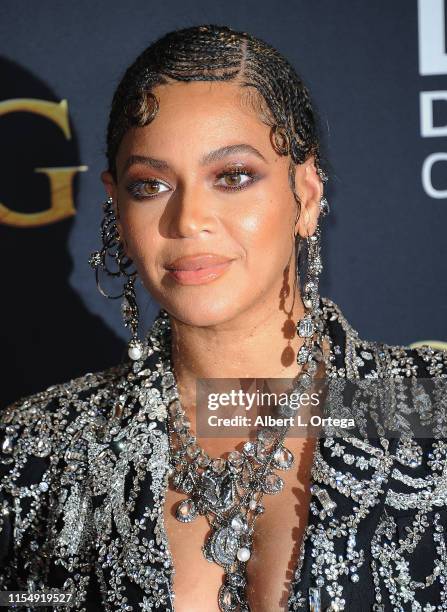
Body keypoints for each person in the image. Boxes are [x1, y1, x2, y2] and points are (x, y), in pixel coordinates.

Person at [1, 23, 446, 612]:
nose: (188, 219)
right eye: (151, 184)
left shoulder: (422, 410)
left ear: (306, 195)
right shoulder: (38, 450)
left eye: (233, 177)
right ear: (116, 204)